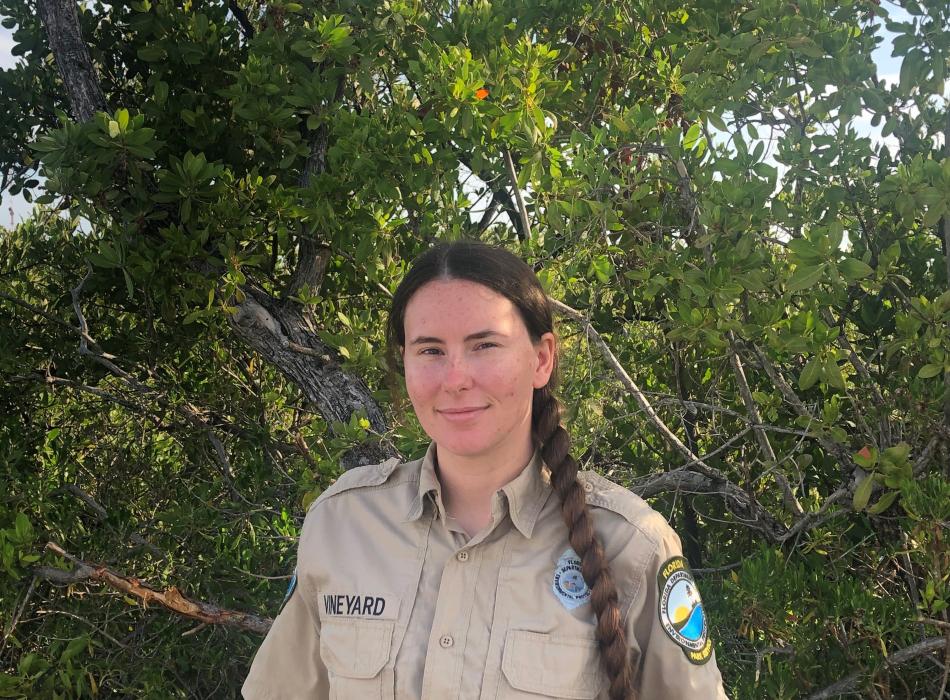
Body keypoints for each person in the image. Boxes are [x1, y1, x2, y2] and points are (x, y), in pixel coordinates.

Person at [242, 241, 728, 699]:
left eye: (484, 346)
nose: (455, 379)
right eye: (430, 350)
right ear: (405, 362)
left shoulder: (633, 545)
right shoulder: (342, 525)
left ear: (541, 360)